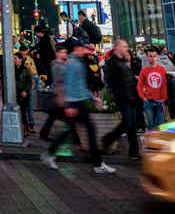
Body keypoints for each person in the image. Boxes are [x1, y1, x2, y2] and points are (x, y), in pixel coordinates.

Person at [41, 39, 115, 174]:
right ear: (77, 49)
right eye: (84, 48)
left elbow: (80, 85)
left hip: (77, 102)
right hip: (75, 103)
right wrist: (70, 105)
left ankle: (51, 153)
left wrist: (92, 98)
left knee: (76, 130)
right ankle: (98, 164)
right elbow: (68, 84)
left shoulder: (77, 62)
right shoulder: (73, 63)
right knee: (82, 130)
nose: (86, 50)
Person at [101, 39, 142, 159]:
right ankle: (133, 152)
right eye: (124, 46)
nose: (126, 48)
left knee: (129, 124)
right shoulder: (112, 63)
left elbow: (128, 78)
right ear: (117, 48)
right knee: (130, 125)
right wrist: (119, 95)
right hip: (124, 98)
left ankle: (108, 140)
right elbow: (111, 81)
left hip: (131, 97)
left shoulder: (123, 61)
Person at [138, 47, 169, 129]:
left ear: (157, 57)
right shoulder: (144, 70)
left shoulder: (162, 70)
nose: (152, 58)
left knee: (161, 125)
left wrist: (164, 99)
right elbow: (139, 85)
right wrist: (143, 97)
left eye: (154, 56)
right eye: (150, 56)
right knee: (151, 125)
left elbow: (164, 85)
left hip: (160, 101)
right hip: (148, 100)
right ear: (147, 57)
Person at [13, 51, 34, 133]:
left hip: (23, 94)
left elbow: (29, 82)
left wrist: (25, 91)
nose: (14, 60)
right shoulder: (12, 69)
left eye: (16, 58)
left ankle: (25, 129)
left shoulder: (26, 69)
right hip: (16, 94)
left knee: (23, 111)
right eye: (13, 59)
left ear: (21, 59)